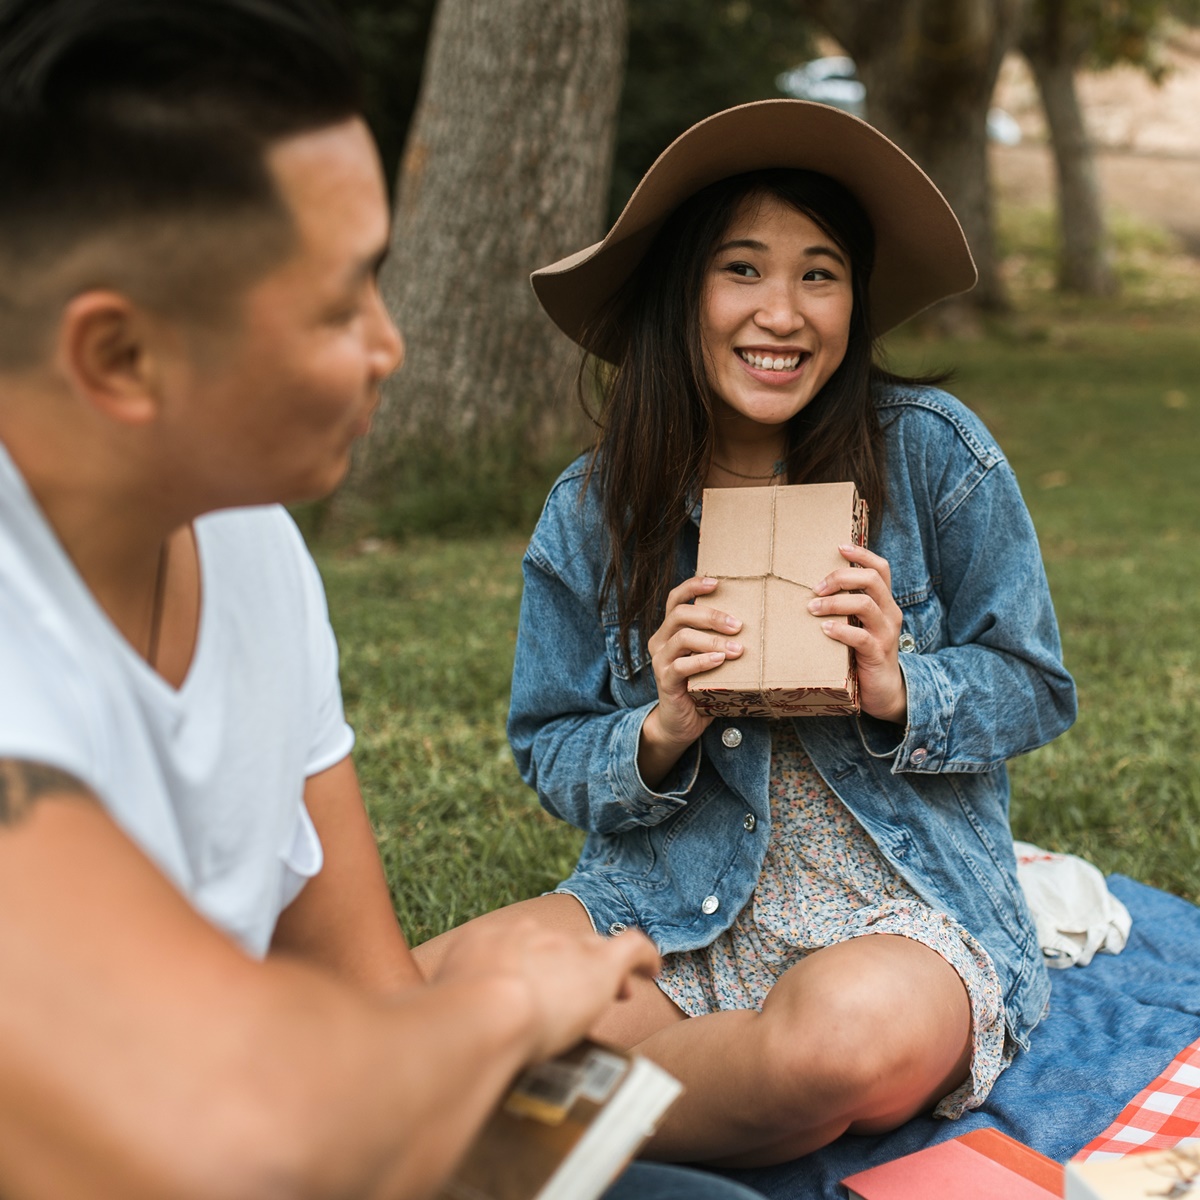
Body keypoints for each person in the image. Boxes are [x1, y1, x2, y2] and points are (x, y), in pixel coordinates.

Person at [0, 3, 769, 1198]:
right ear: (118, 357)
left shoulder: (251, 543)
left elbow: (362, 993)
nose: (390, 345)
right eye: (339, 303)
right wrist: (510, 1005)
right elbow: (230, 1123)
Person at [414, 101, 1078, 1169]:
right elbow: (550, 746)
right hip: (675, 906)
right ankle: (550, 1092)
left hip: (898, 908)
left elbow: (1035, 684)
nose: (784, 312)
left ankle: (496, 1105)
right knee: (424, 981)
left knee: (829, 1054)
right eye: (743, 269)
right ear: (684, 292)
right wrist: (661, 726)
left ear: (854, 302)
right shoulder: (594, 510)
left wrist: (899, 684)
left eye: (820, 273)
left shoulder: (933, 457)